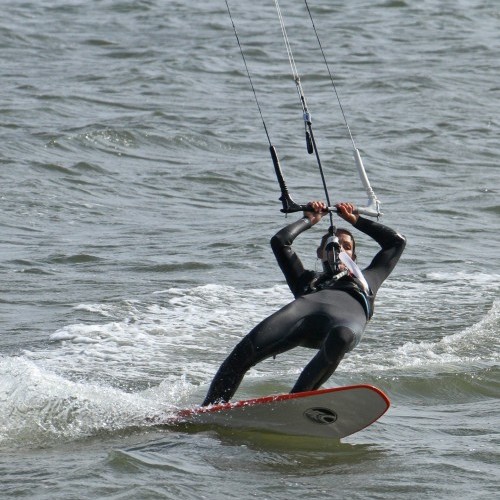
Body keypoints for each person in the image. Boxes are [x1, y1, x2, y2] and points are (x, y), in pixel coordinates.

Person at [202, 200, 406, 406]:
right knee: (243, 352)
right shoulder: (306, 279)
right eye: (333, 246)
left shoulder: (367, 279)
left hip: (344, 325)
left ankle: (293, 403)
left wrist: (355, 219)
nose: (340, 250)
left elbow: (396, 242)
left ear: (354, 255)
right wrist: (309, 219)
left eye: (347, 247)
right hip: (300, 317)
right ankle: (210, 408)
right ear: (321, 253)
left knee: (341, 337)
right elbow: (280, 241)